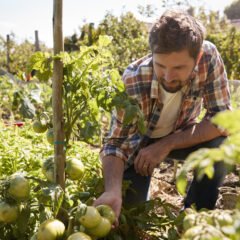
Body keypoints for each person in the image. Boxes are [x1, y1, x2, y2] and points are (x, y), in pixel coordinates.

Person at [94, 9, 232, 224]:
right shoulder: (134, 78)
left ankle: (194, 217)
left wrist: (167, 143)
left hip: (180, 136)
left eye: (178, 68)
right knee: (132, 213)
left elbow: (222, 119)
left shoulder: (208, 58)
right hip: (140, 146)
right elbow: (116, 143)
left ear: (196, 58)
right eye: (160, 66)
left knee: (222, 145)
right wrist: (112, 190)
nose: (168, 76)